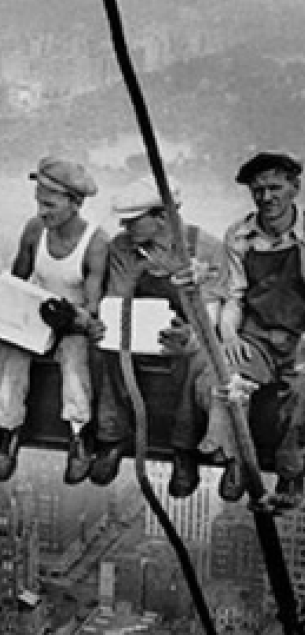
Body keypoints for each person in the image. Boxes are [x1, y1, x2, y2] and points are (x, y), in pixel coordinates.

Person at [90, 178, 227, 498]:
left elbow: (213, 314)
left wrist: (190, 332)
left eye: (132, 220)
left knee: (195, 359)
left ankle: (183, 450)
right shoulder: (123, 247)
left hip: (188, 331)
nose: (124, 226)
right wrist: (137, 272)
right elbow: (115, 302)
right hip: (137, 327)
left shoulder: (206, 247)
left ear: (162, 217)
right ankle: (112, 436)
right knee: (105, 348)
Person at [0, 157, 108, 484]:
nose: (42, 211)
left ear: (75, 203)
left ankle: (79, 433)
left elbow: (95, 305)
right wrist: (11, 311)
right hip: (37, 314)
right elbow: (19, 278)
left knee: (74, 358)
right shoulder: (34, 230)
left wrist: (74, 317)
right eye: (39, 202)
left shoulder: (95, 243)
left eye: (50, 204)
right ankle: (8, 429)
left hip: (72, 322)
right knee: (11, 351)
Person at [197, 152, 305, 507]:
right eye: (258, 190)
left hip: (300, 338)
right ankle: (237, 460)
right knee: (230, 379)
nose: (266, 198)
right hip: (257, 335)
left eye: (275, 188)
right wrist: (229, 335)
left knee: (300, 394)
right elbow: (235, 295)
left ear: (295, 188)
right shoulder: (240, 235)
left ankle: (291, 476)